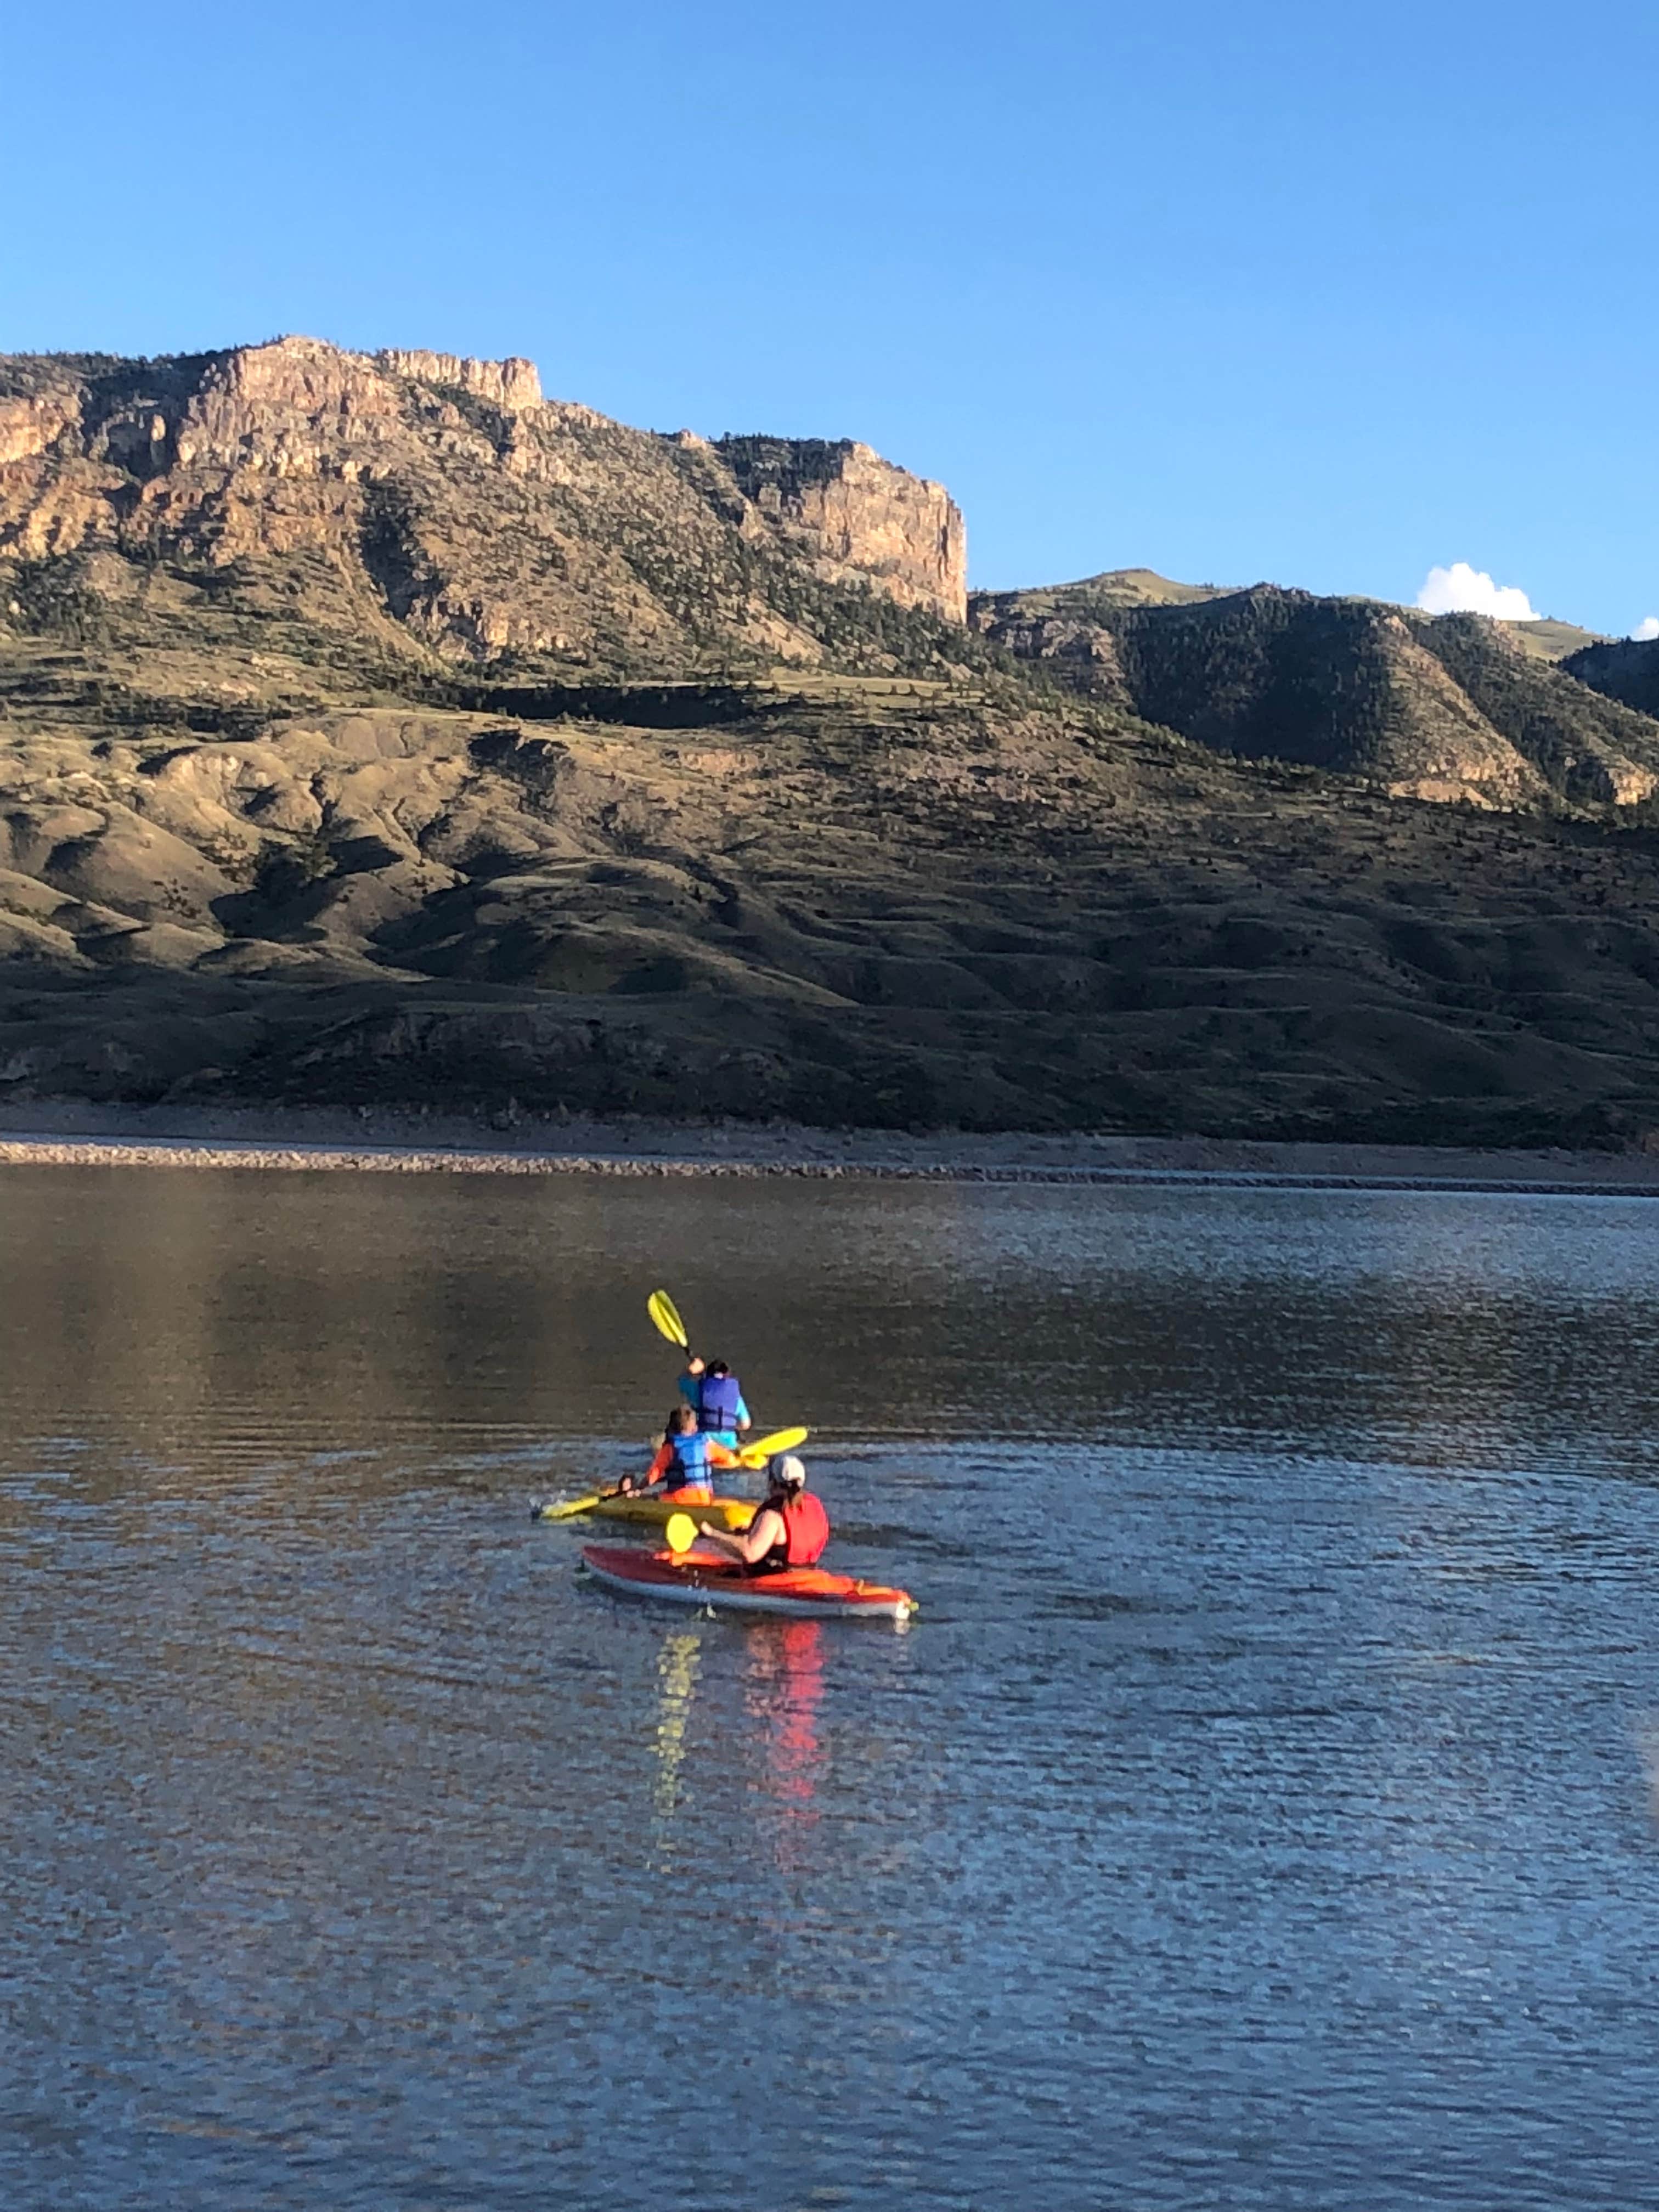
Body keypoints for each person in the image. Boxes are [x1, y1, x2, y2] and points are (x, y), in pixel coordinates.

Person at [696, 1454, 829, 1573]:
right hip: (809, 1573)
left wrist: (712, 1534)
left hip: (775, 1584)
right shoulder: (815, 1505)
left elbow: (750, 1553)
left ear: (773, 1482)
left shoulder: (773, 1516)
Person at [621, 1405, 741, 1506]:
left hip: (679, 1499)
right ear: (695, 1428)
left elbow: (653, 1476)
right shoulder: (707, 1445)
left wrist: (638, 1489)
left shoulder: (671, 1447)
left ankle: (633, 1499)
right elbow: (730, 1460)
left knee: (651, 1497)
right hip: (705, 1499)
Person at [678, 1354, 752, 1446]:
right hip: (729, 1445)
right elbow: (746, 1424)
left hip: (704, 1443)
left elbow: (682, 1381)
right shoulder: (736, 1396)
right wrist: (732, 1426)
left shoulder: (698, 1390)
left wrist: (691, 1370)